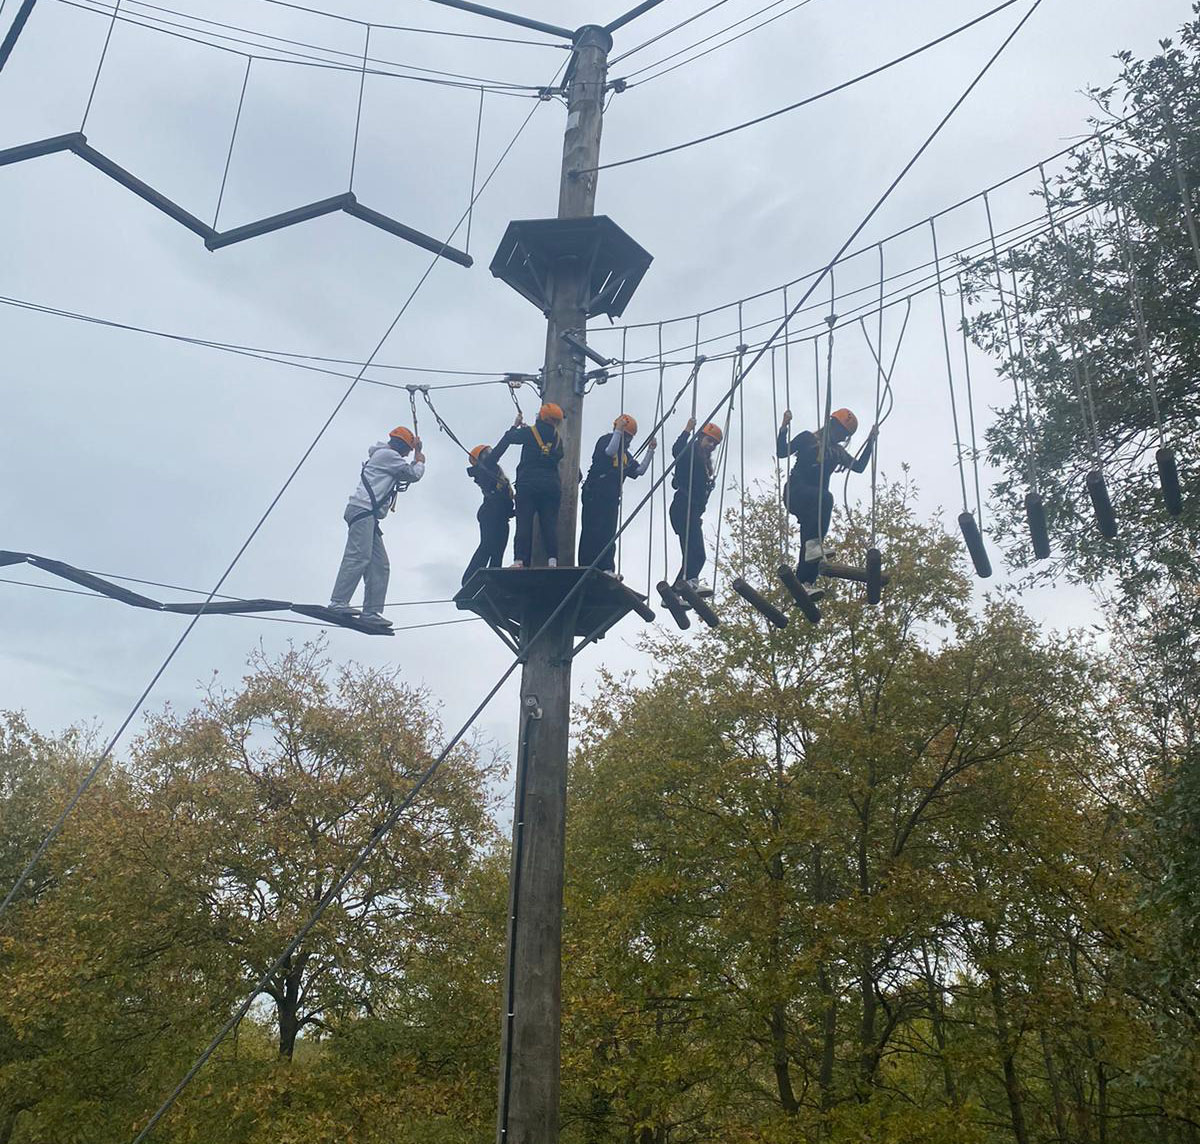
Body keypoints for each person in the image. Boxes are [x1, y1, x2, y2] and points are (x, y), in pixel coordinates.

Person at [329, 425, 425, 630]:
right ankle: (338, 602)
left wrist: (416, 454)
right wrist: (420, 459)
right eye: (407, 450)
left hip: (367, 515)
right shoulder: (388, 455)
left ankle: (371, 612)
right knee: (358, 556)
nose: (406, 454)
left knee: (380, 565)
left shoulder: (385, 456)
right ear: (401, 446)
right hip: (363, 510)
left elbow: (403, 471)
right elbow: (412, 474)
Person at [777, 407, 876, 599]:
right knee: (826, 500)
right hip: (796, 492)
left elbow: (858, 467)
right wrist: (784, 427)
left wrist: (871, 441)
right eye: (839, 431)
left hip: (814, 503)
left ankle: (805, 583)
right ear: (831, 425)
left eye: (844, 435)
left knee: (813, 542)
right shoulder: (808, 438)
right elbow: (782, 452)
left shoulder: (837, 452)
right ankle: (813, 549)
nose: (840, 437)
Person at [578, 414, 656, 575]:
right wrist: (619, 430)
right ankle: (587, 564)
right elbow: (609, 451)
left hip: (611, 497)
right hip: (595, 493)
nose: (626, 440)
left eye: (629, 437)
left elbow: (639, 471)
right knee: (592, 530)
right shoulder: (606, 441)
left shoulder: (626, 455)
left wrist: (650, 451)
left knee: (608, 533)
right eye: (625, 436)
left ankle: (606, 566)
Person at [491, 402, 565, 569]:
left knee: (524, 523)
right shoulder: (558, 440)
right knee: (549, 524)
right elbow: (556, 455)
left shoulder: (530, 432)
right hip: (551, 486)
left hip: (528, 485)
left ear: (541, 416)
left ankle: (520, 560)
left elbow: (511, 437)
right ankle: (552, 560)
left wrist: (516, 425)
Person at [669, 417, 722, 595]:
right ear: (700, 438)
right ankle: (687, 584)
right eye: (709, 440)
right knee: (697, 554)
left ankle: (678, 590)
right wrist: (687, 430)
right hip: (683, 507)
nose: (711, 445)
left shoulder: (704, 465)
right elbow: (677, 450)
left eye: (714, 444)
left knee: (693, 555)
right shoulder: (690, 453)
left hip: (689, 510)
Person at [461, 444, 515, 585]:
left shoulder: (496, 473)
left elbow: (504, 500)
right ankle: (469, 579)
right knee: (487, 546)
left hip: (501, 516)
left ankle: (493, 581)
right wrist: (509, 435)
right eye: (487, 452)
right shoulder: (484, 470)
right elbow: (496, 454)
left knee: (498, 551)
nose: (491, 454)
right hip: (491, 514)